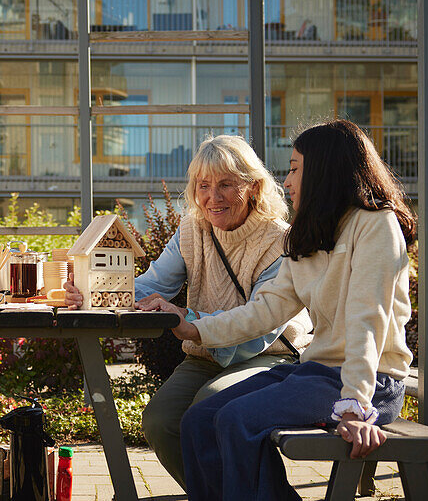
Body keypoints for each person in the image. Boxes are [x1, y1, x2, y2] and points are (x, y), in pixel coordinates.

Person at [173, 119, 416, 501]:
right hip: (314, 373)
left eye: (294, 168)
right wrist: (195, 329)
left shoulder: (376, 226)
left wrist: (354, 406)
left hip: (369, 382)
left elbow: (368, 320)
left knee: (237, 421)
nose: (286, 181)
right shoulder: (312, 233)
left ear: (324, 171)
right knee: (198, 421)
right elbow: (267, 308)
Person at [63, 134, 313, 488]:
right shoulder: (193, 230)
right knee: (160, 420)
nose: (213, 197)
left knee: (209, 407)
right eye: (204, 185)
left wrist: (192, 322)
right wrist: (92, 291)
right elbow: (152, 286)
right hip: (205, 354)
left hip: (269, 357)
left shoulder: (280, 241)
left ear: (254, 187)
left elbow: (261, 327)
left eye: (227, 184)